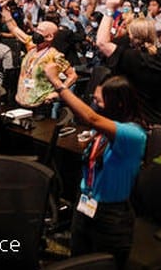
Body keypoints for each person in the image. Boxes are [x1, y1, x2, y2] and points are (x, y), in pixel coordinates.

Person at [44, 64, 146, 269]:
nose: (95, 104)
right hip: (85, 207)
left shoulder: (133, 134)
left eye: (99, 101)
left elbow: (90, 117)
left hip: (111, 217)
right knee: (78, 262)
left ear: (117, 104)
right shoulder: (107, 129)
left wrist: (57, 83)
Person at [96, 0, 161, 125]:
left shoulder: (132, 58)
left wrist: (110, 9)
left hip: (137, 123)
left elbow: (102, 43)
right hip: (160, 120)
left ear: (131, 35)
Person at [1, 0, 78, 110]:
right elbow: (14, 28)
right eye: (36, 29)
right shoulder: (31, 46)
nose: (36, 33)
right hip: (21, 101)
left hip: (40, 106)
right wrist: (4, 9)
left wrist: (58, 92)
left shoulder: (54, 55)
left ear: (49, 36)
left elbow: (73, 76)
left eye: (40, 31)